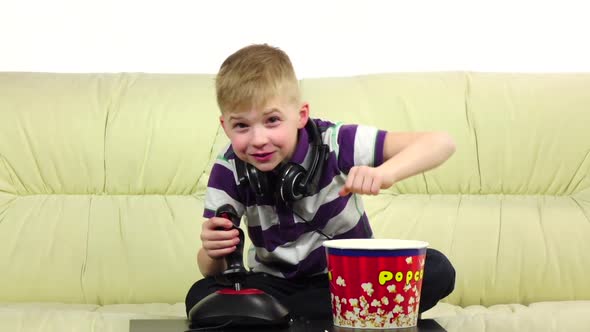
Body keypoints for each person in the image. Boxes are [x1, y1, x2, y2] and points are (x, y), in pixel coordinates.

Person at [185, 43, 456, 320]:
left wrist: (385, 173)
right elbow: (211, 270)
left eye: (272, 120)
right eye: (241, 126)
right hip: (275, 285)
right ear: (224, 126)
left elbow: (441, 143)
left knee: (436, 270)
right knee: (199, 295)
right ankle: (340, 315)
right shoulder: (229, 167)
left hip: (351, 279)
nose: (258, 140)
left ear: (301, 115)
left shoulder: (336, 141)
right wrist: (212, 251)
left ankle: (282, 318)